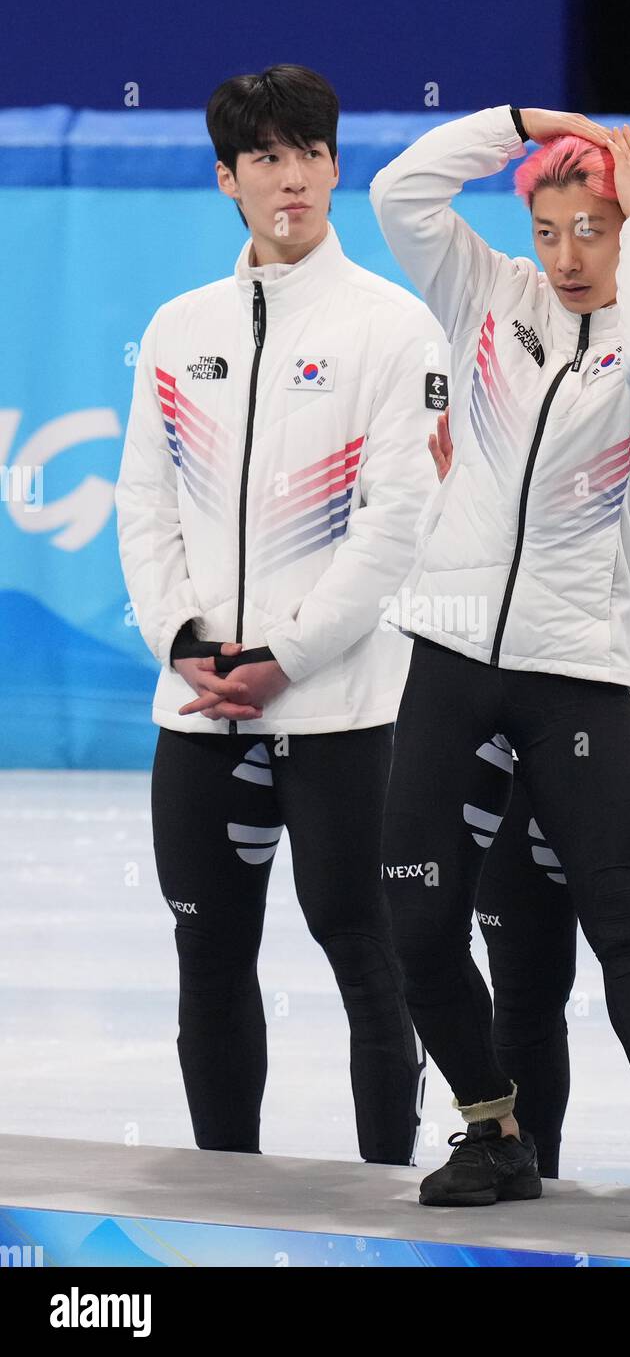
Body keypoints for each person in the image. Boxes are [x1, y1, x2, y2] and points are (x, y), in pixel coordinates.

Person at [370, 105, 630, 1234]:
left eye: (595, 229)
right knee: (415, 916)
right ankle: (492, 1125)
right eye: (548, 229)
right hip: (450, 651)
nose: (568, 256)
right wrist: (519, 121)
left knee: (625, 924)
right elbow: (397, 195)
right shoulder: (487, 296)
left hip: (576, 669)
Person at [115, 64, 446, 1164]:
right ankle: (223, 1196)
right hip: (200, 703)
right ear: (227, 178)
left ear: (336, 167)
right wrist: (187, 643)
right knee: (207, 954)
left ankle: (394, 1204)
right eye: (264, 156)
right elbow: (143, 499)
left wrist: (288, 655)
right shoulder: (176, 328)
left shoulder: (393, 329)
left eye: (307, 153)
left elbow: (395, 526)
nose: (288, 176)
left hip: (343, 707)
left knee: (367, 950)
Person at [429, 361, 630, 1192]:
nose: (574, 246)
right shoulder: (528, 353)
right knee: (523, 980)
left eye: (605, 226)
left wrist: (520, 518)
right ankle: (519, 1178)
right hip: (514, 718)